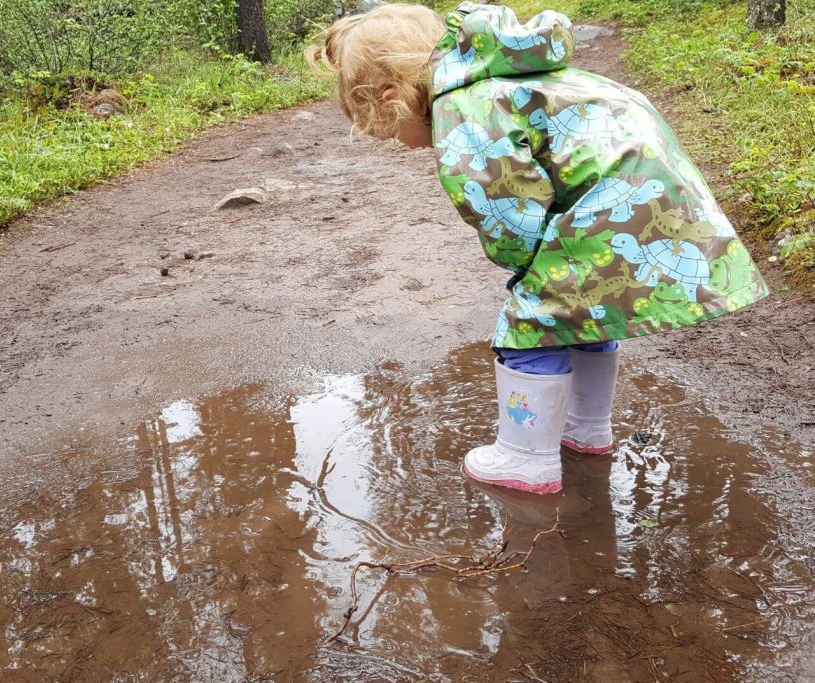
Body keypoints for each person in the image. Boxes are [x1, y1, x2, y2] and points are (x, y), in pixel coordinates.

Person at [307, 2, 768, 493]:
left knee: (532, 323)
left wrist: (524, 272)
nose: (400, 142)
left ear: (390, 95)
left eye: (388, 128)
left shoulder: (464, 110)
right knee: (582, 315)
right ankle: (587, 427)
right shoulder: (509, 80)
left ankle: (526, 457)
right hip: (653, 199)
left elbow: (509, 212)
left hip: (612, 206)